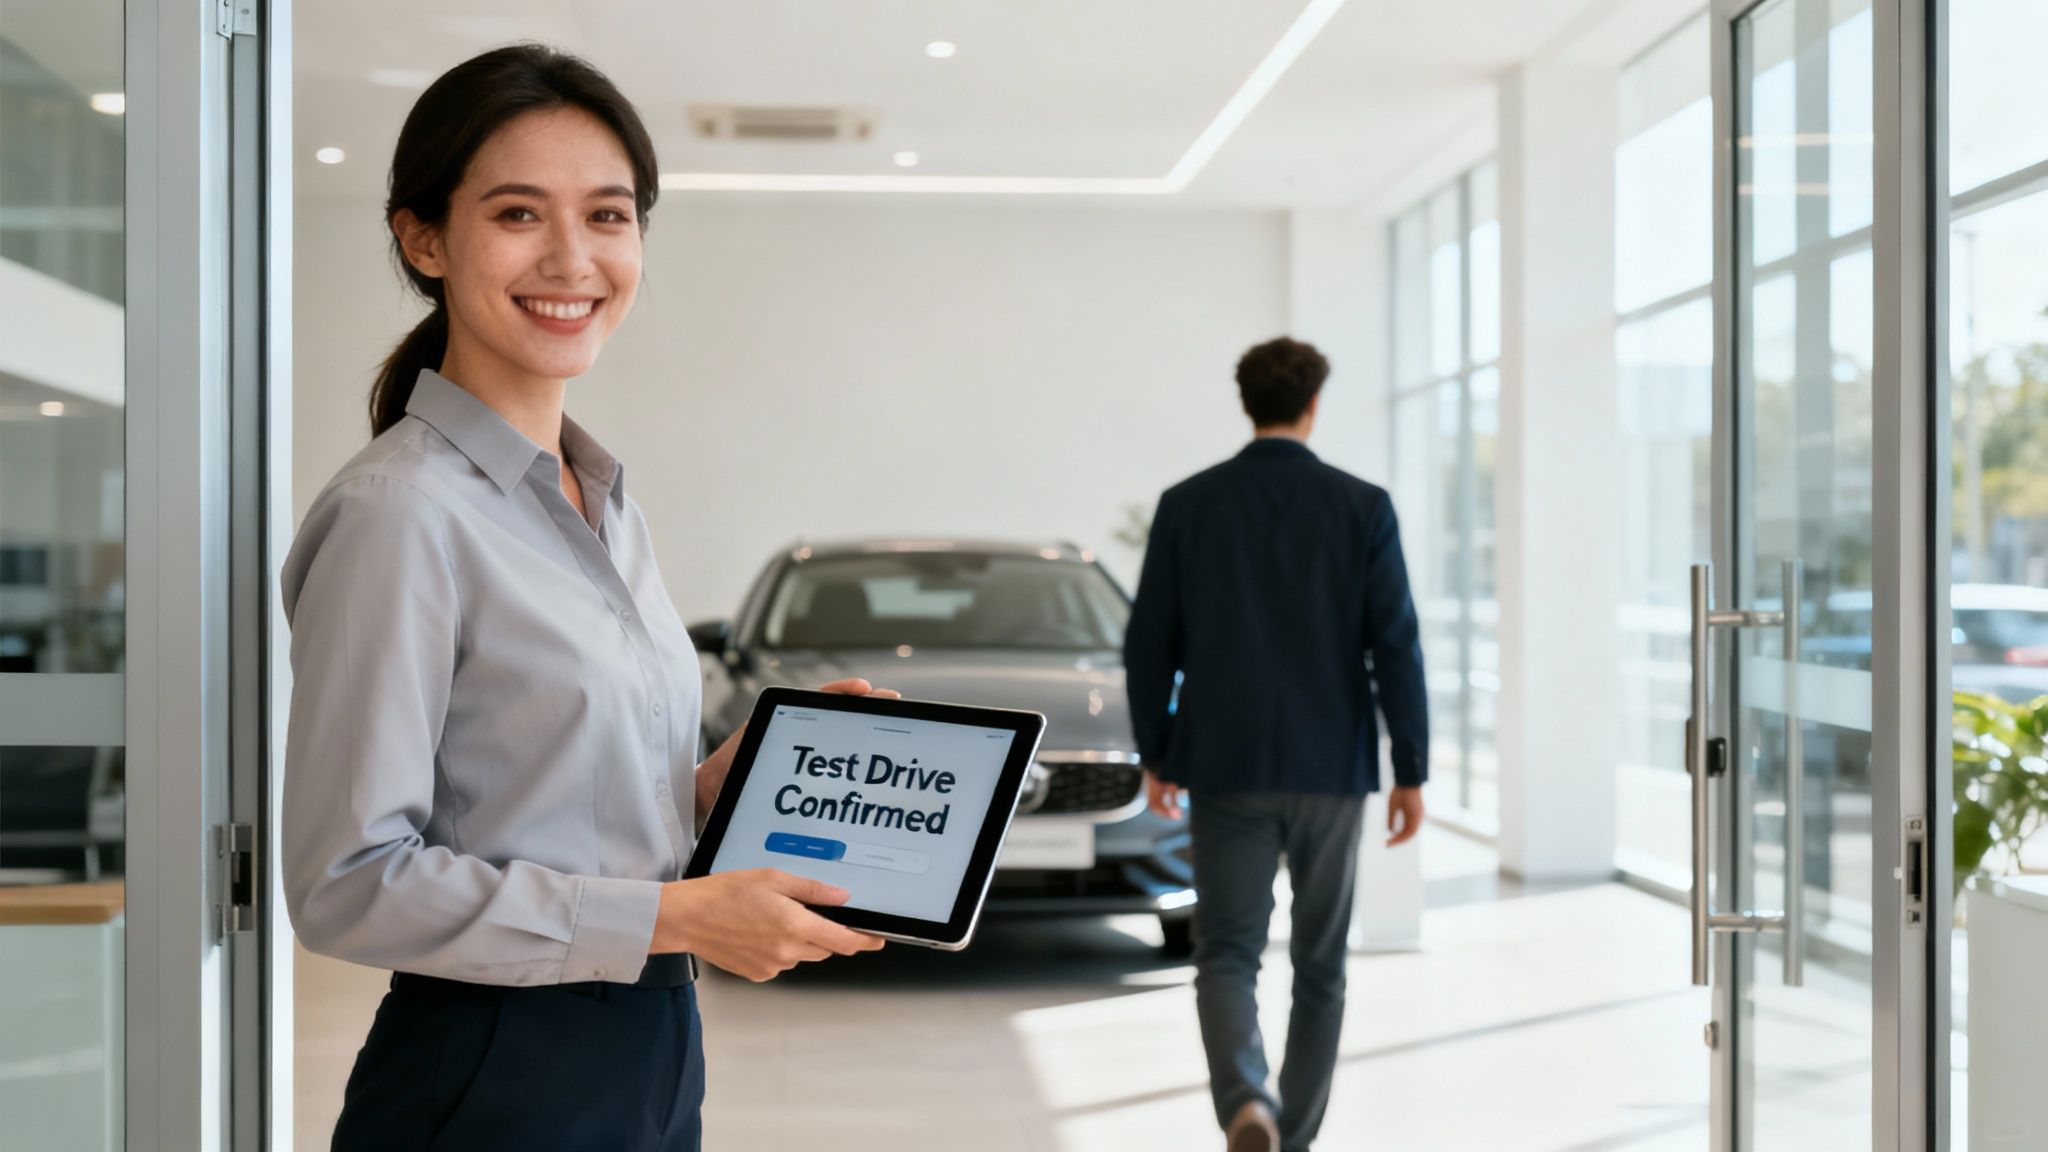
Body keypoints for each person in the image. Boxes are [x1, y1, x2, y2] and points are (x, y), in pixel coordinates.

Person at [280, 45, 888, 1152]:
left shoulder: (603, 500)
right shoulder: (400, 514)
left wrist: (712, 788)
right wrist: (669, 916)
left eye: (608, 216)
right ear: (424, 238)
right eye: (518, 213)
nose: (572, 257)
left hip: (649, 1048)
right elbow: (347, 884)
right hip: (494, 1069)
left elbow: (553, 799)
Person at [1123, 336, 1428, 1152]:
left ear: (1246, 403)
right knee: (1321, 965)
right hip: (1333, 766)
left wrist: (1158, 750)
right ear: (1313, 404)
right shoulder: (1362, 507)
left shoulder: (1189, 504)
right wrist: (1413, 770)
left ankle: (1247, 1101)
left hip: (1225, 763)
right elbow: (1395, 643)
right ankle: (1291, 1141)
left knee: (1227, 950)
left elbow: (1148, 642)